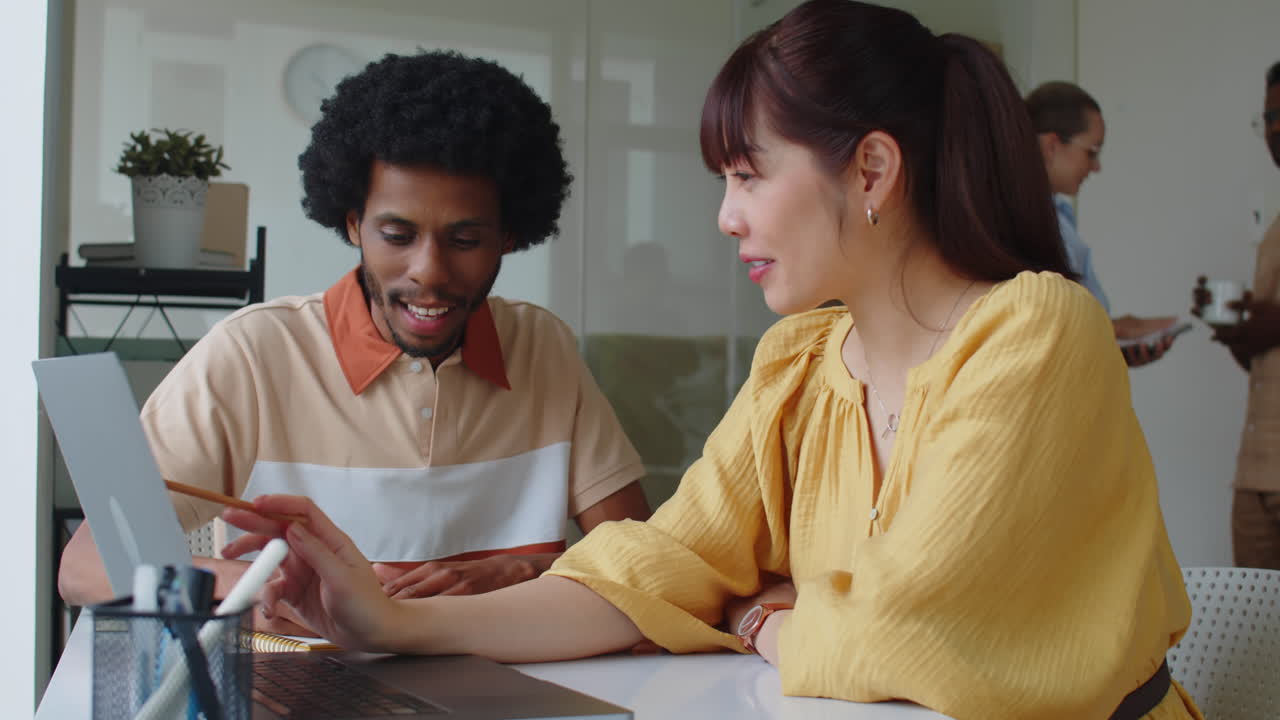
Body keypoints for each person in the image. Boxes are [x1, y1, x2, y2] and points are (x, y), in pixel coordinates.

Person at [220, 2, 1201, 718]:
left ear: (870, 169)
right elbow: (653, 569)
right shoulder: (799, 364)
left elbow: (912, 634)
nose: (726, 216)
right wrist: (392, 624)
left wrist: (762, 619)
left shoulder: (1035, 330)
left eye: (746, 175)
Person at [57, 51, 652, 631]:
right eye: (397, 235)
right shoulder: (253, 353)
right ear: (352, 224)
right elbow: (86, 567)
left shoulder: (543, 348)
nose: (429, 271)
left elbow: (644, 564)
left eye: (466, 240)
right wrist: (277, 587)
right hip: (308, 679)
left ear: (509, 237)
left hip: (510, 676)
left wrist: (523, 572)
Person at [1026, 81, 1183, 368]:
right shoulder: (1022, 223)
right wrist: (1117, 330)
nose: (1096, 167)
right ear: (1052, 145)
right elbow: (1039, 326)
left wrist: (1113, 344)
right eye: (1092, 151)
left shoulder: (1058, 215)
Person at [1196, 60, 1280, 570]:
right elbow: (1262, 362)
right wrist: (1233, 329)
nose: (1275, 128)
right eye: (1268, 117)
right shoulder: (1275, 230)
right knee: (1252, 617)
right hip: (1256, 472)